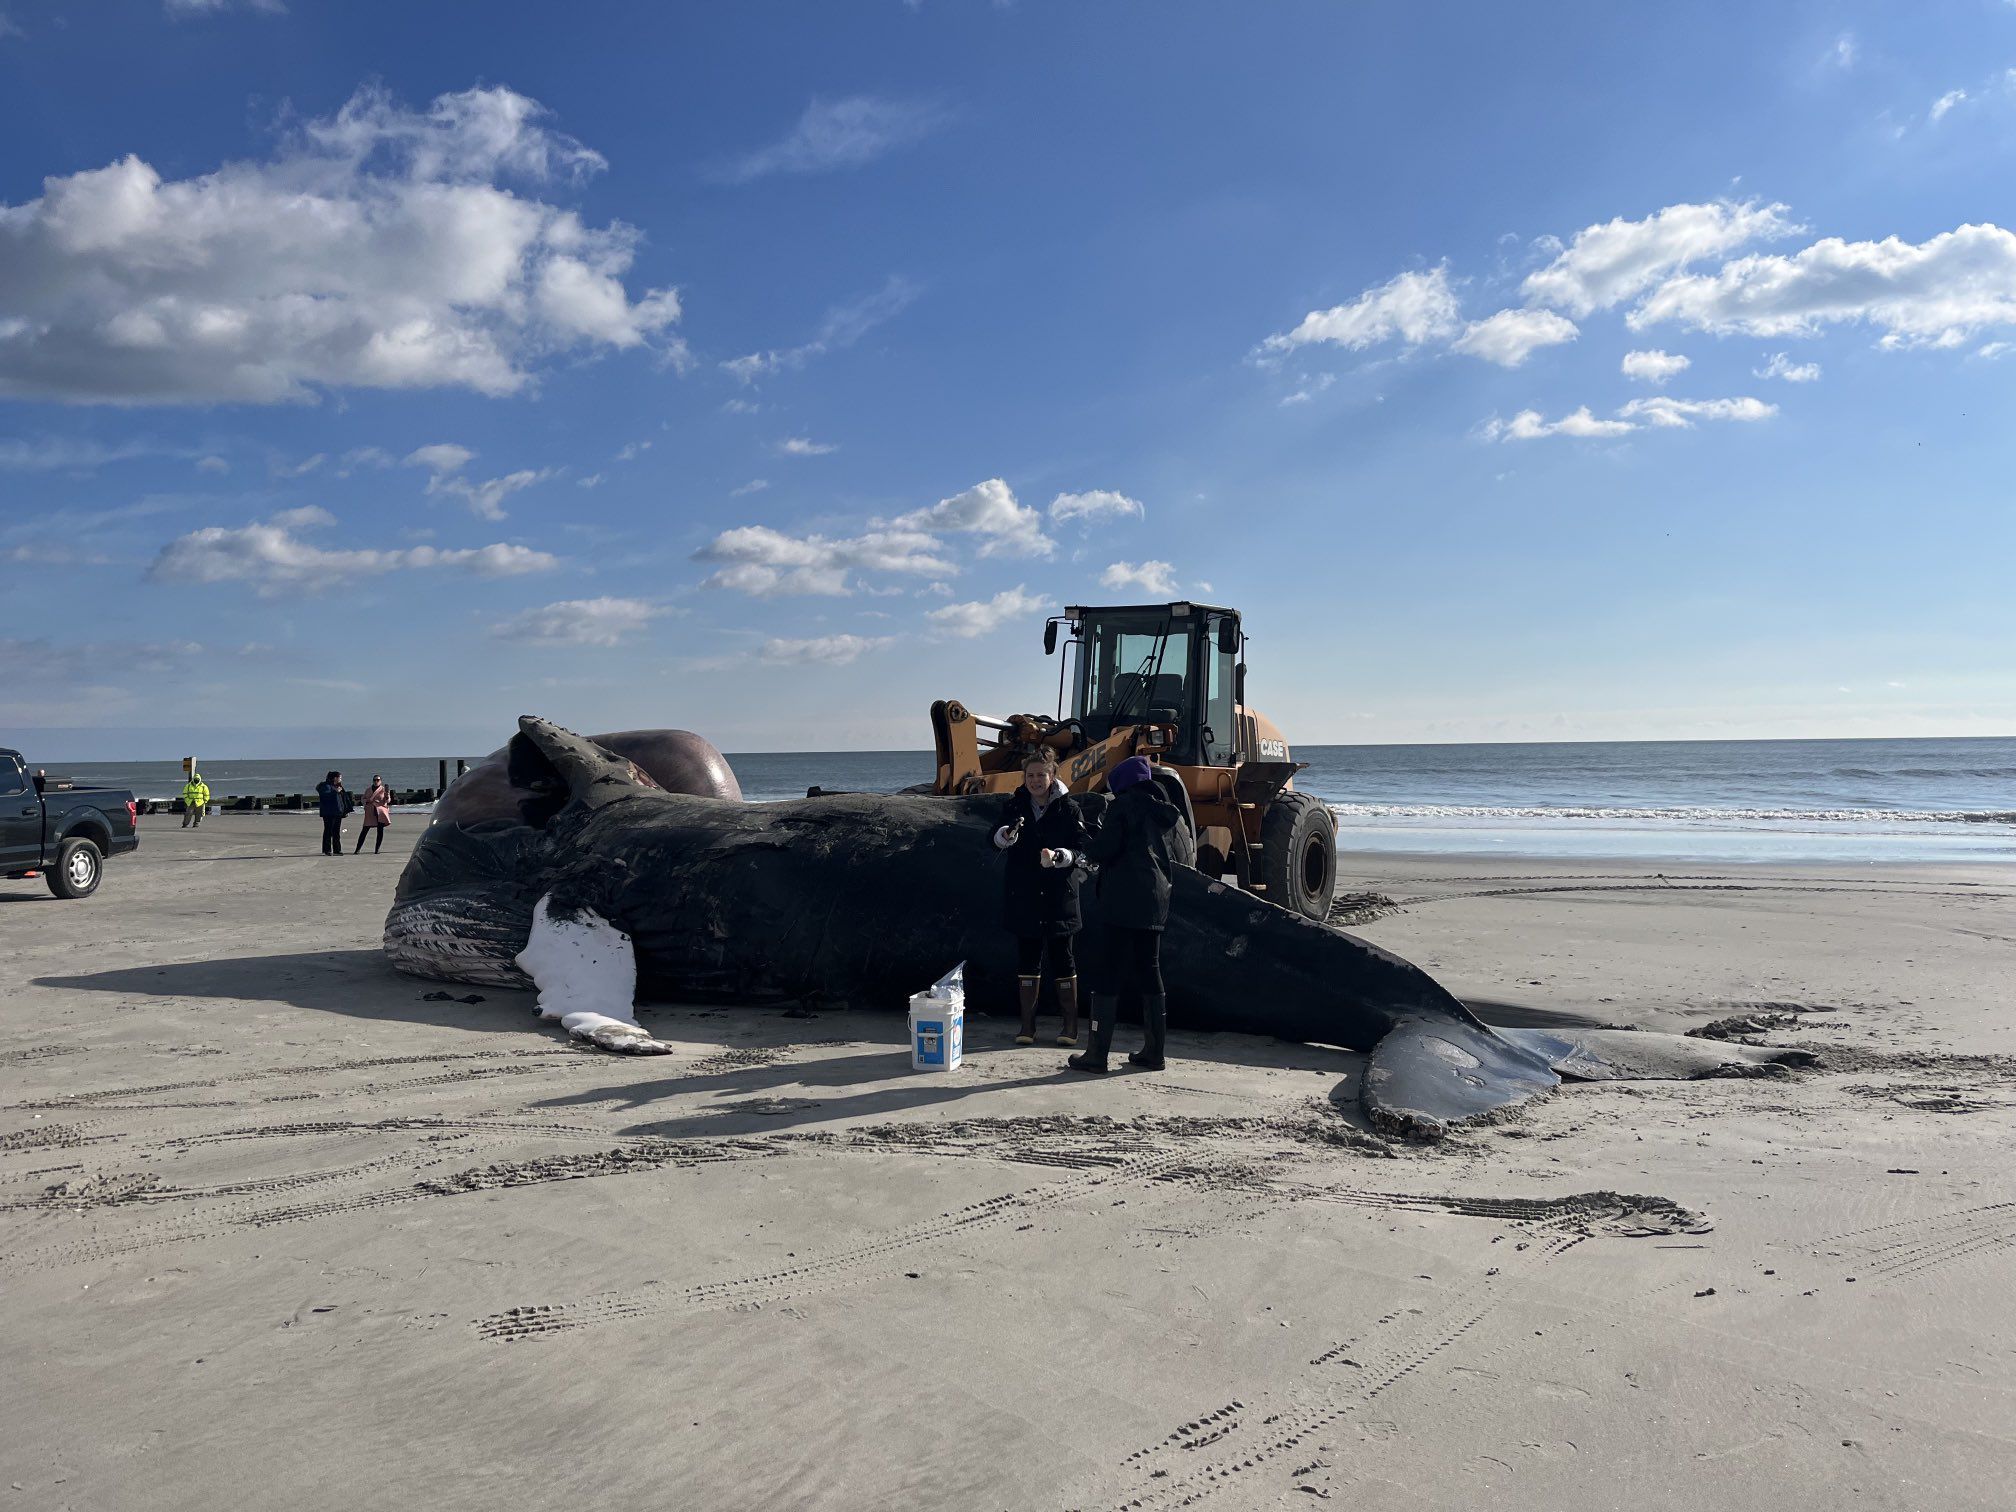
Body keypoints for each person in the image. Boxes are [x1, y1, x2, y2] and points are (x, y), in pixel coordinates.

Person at [1068, 754, 1182, 1075]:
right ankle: (1154, 1052)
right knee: (1150, 969)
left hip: (1124, 900)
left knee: (1109, 971)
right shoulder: (1160, 812)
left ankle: (1096, 1053)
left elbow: (1106, 847)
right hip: (1156, 899)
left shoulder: (1124, 806)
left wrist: (1084, 846)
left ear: (1122, 785)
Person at [990, 750, 1087, 1047]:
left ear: (1053, 776)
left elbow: (1083, 850)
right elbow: (991, 838)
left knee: (1063, 959)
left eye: (1041, 775)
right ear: (1024, 778)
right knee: (1028, 959)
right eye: (1030, 775)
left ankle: (1069, 1026)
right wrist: (1004, 836)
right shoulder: (1014, 806)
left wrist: (1060, 857)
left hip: (1060, 896)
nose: (1035, 781)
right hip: (1025, 895)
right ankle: (1027, 1026)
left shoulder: (1070, 809)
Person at [354, 775, 393, 854]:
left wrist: (387, 795)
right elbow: (363, 799)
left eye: (378, 780)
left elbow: (388, 801)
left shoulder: (383, 789)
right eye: (374, 780)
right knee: (364, 830)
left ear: (381, 781)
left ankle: (377, 849)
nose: (376, 781)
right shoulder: (368, 790)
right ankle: (357, 849)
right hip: (370, 812)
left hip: (380, 812)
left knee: (380, 831)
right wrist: (368, 801)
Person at [316, 771, 352, 856]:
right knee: (328, 831)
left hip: (338, 812)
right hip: (329, 812)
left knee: (336, 832)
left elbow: (343, 799)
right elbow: (324, 796)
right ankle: (327, 850)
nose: (341, 779)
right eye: (340, 777)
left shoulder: (338, 786)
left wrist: (345, 811)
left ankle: (337, 850)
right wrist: (335, 792)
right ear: (335, 778)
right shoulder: (326, 785)